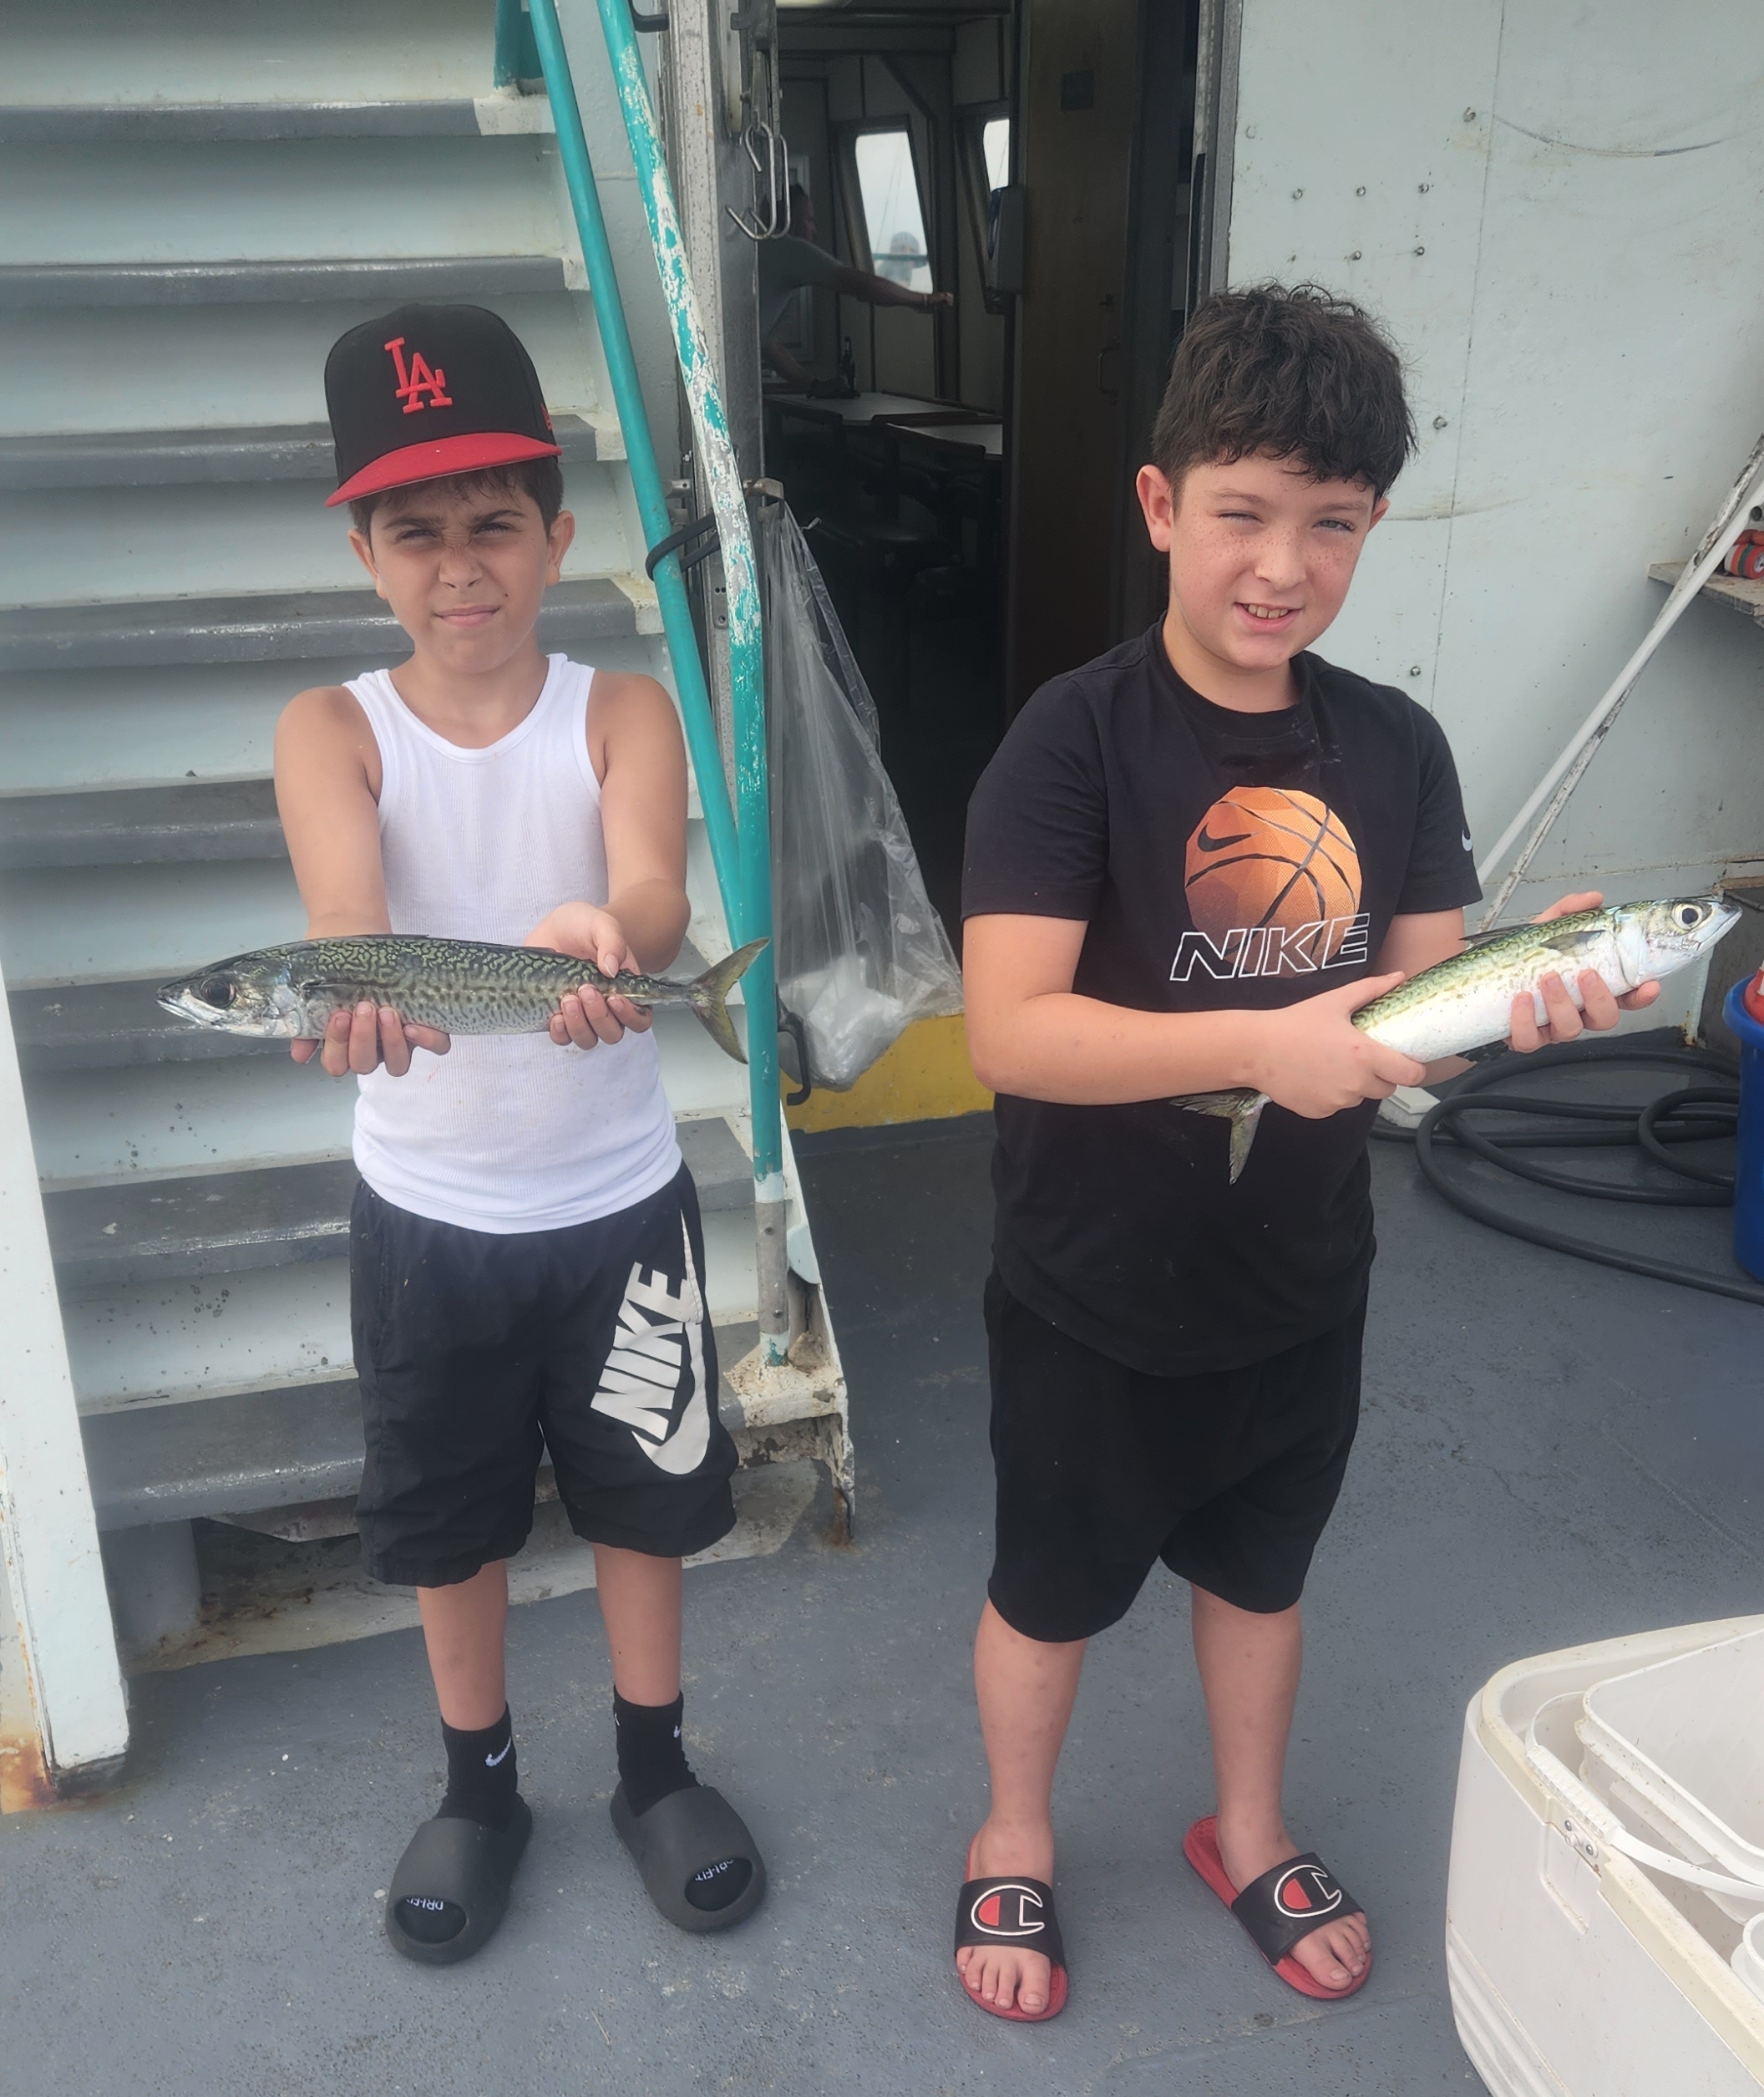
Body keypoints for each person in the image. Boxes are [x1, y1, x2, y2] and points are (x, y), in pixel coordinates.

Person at [952, 282, 1657, 2021]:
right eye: (1245, 513)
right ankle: (1012, 1834)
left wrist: (1534, 979)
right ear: (1161, 505)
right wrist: (1267, 1042)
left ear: (1372, 528)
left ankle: (1248, 1825)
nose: (1281, 564)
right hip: (1089, 1282)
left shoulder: (1395, 745)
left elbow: (1423, 997)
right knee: (1048, 1592)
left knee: (1263, 1574)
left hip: (1297, 1277)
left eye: (1329, 525)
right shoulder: (1073, 740)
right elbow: (1013, 1029)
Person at [275, 302, 766, 1965]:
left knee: (647, 1503)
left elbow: (645, 878)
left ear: (558, 535)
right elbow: (350, 917)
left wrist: (608, 931)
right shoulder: (330, 730)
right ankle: (479, 1786)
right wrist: (358, 991)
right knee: (448, 1519)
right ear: (365, 549)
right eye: (415, 529)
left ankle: (652, 1766)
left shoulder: (617, 702)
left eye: (495, 522)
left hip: (617, 1204)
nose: (458, 562)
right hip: (427, 1219)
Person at [758, 184, 952, 388]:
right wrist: (921, 300)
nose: (814, 230)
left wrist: (815, 386)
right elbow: (860, 285)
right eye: (809, 220)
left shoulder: (773, 250)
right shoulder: (791, 250)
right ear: (789, 219)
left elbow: (769, 344)